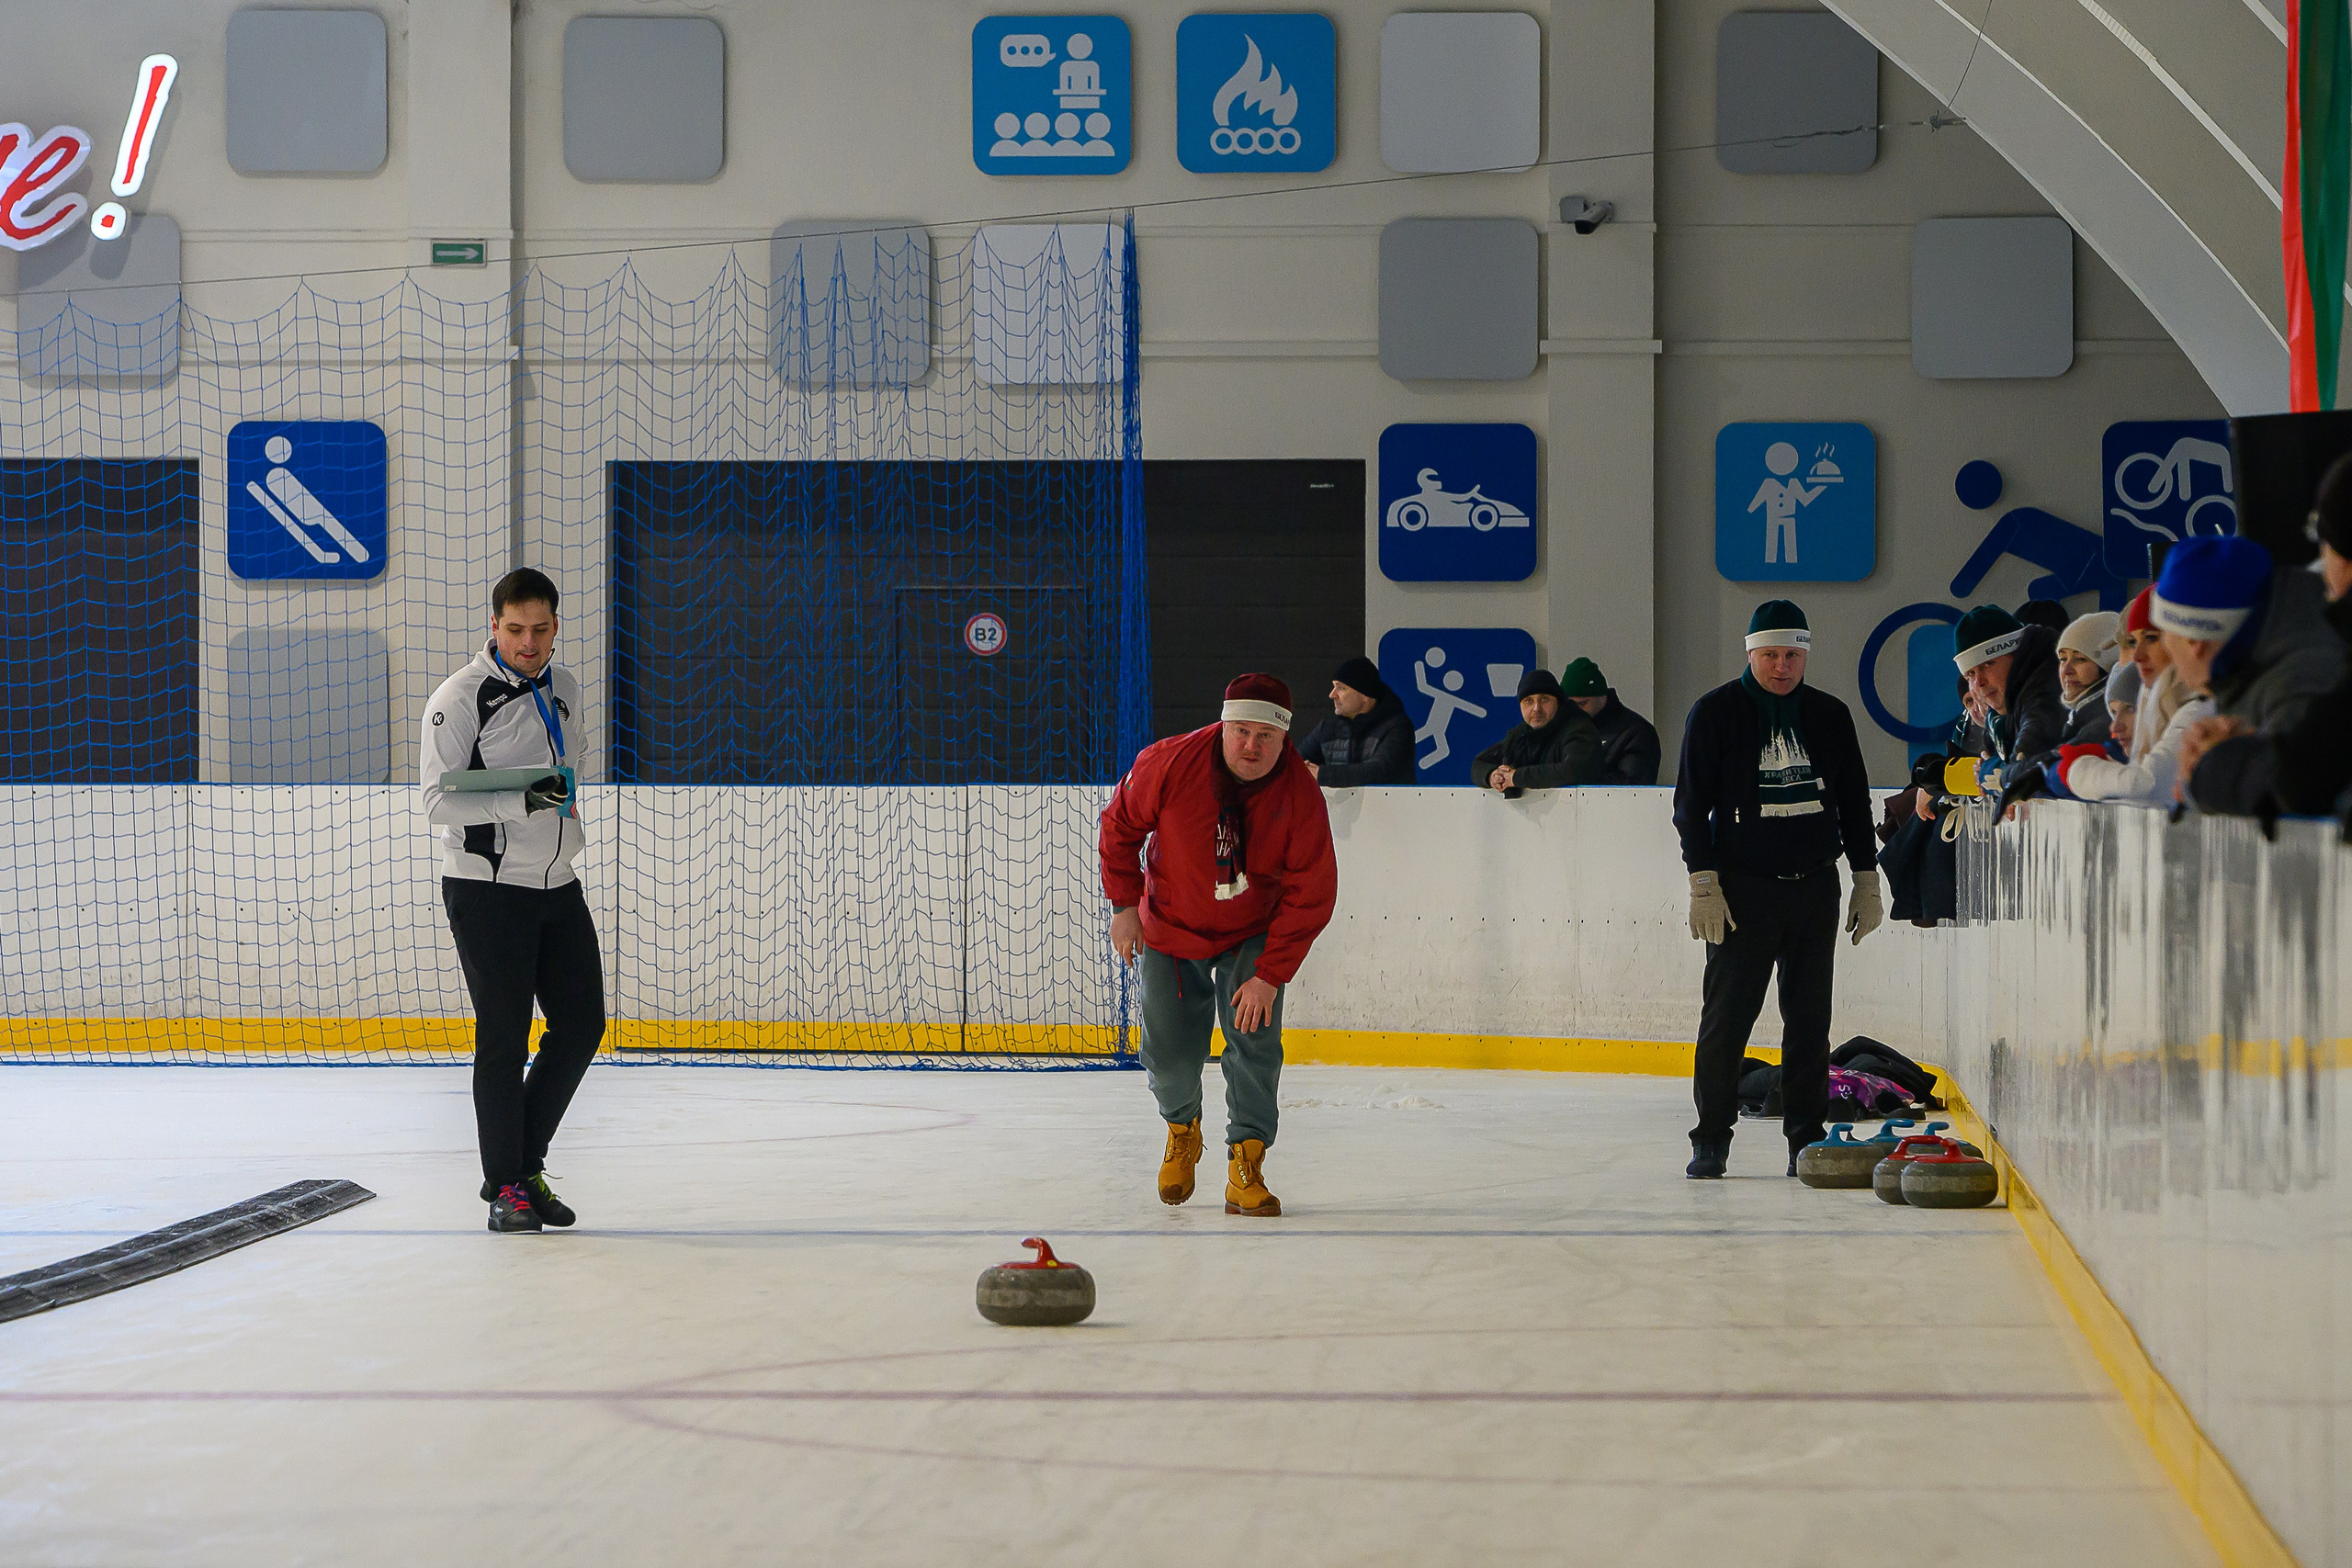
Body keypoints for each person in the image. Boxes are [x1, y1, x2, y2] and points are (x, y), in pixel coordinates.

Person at [1099, 673, 1339, 1219]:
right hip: (1170, 925)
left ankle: (1245, 1163)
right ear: (1223, 725)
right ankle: (1182, 1128)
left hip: (1253, 930)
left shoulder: (1300, 796)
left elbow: (1313, 892)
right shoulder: (1167, 763)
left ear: (1285, 739)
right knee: (1167, 1052)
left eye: (1266, 737)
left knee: (1254, 1041)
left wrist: (1270, 974)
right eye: (1242, 732)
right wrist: (1124, 905)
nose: (1252, 747)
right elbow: (1119, 829)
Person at [422, 568, 605, 1235]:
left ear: (556, 627)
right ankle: (509, 1188)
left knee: (582, 1024)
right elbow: (437, 799)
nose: (528, 642)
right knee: (504, 1038)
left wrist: (558, 804)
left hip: (557, 884)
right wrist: (526, 799)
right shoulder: (460, 698)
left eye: (540, 629)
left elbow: (567, 772)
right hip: (487, 888)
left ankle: (522, 1165)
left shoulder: (565, 689)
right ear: (493, 626)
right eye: (515, 629)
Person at [1672, 600, 1881, 1180]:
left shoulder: (1830, 715)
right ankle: (1710, 1138)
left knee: (1810, 1021)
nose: (1781, 667)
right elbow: (1690, 807)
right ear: (1750, 653)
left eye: (1792, 655)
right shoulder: (1715, 714)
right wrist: (1703, 881)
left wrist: (1866, 877)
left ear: (1806, 654)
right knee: (1727, 1020)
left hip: (1815, 887)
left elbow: (1856, 803)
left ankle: (1805, 1139)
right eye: (1770, 655)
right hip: (1743, 892)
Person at [2177, 512, 2352, 814]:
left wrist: (2216, 764)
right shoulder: (2262, 675)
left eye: (2325, 544)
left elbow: (2299, 787)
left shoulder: (2304, 674)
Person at [2054, 639, 2211, 808]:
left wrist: (2078, 770)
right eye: (2114, 713)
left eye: (2131, 709)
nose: (2115, 727)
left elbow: (2147, 785)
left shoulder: (2196, 715)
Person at [1951, 604, 2066, 791]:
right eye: (1970, 674)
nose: (1979, 682)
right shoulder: (1999, 713)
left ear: (2017, 656)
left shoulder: (2046, 693)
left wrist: (1992, 771)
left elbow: (2026, 766)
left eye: (1988, 664)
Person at [1472, 669, 1602, 797]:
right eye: (1529, 701)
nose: (1536, 708)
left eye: (1544, 699)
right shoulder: (1519, 735)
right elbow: (1479, 763)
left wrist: (1516, 777)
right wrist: (1493, 775)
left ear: (1558, 702)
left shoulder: (1579, 729)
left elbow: (1573, 771)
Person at [1295, 656, 1416, 785]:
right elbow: (1294, 762)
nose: (1332, 695)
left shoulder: (1398, 726)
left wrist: (1321, 774)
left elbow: (1379, 772)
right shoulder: (1328, 727)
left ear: (1365, 695)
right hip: (1337, 806)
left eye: (1341, 688)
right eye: (1334, 687)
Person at [1560, 657, 1661, 784]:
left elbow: (1630, 787)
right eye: (1570, 704)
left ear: (1602, 697)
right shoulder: (1563, 728)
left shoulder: (1637, 733)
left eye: (1583, 703)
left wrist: (1570, 777)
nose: (1575, 709)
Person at [2053, 611, 2120, 746]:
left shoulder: (2104, 722)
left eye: (2080, 659)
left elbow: (2059, 759)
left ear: (2107, 667)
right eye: (2063, 659)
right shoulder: (2078, 716)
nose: (2066, 670)